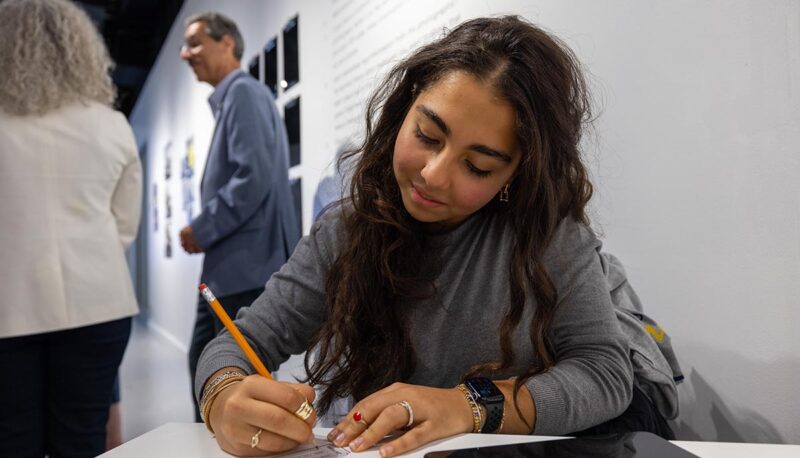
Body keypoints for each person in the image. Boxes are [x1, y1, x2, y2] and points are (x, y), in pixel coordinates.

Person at [196, 16, 674, 457]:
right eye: (427, 135)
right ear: (406, 107)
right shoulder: (345, 231)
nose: (433, 175)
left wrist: (468, 405)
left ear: (514, 172)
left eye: (478, 165)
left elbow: (605, 372)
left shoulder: (547, 236)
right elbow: (238, 342)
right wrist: (222, 395)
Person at [0, 0, 142, 456]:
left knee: (12, 438)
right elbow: (124, 225)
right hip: (98, 304)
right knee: (82, 436)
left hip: (8, 307)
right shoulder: (111, 125)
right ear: (80, 49)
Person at [178, 12, 300, 421]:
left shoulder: (244, 94)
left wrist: (202, 228)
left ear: (226, 42)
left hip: (245, 271)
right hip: (235, 270)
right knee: (213, 378)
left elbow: (252, 179)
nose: (184, 53)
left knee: (231, 390)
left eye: (194, 42)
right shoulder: (239, 97)